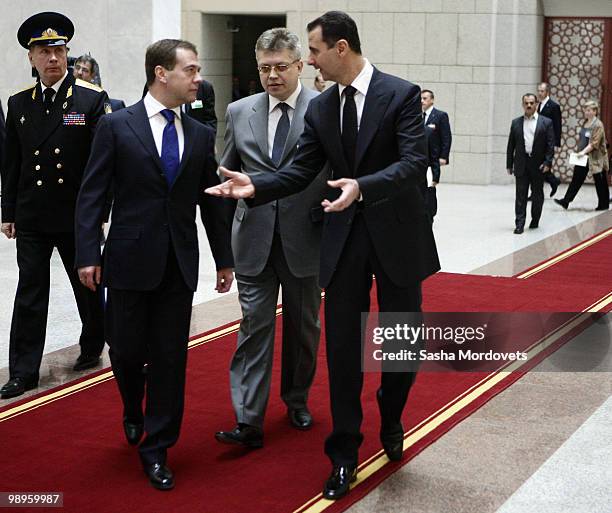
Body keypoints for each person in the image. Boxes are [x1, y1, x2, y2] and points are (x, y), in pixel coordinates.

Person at [206, 11, 440, 500]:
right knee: (343, 352)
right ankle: (343, 454)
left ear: (340, 48)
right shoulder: (321, 109)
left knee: (401, 348)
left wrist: (364, 186)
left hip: (399, 238)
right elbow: (299, 170)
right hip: (344, 238)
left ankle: (392, 414)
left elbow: (414, 162)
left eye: (312, 51)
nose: (308, 60)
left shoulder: (399, 94)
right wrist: (256, 186)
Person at [75, 39, 234, 490]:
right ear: (162, 73)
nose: (198, 77)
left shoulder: (201, 133)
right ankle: (131, 407)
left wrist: (224, 259)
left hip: (178, 265)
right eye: (191, 69)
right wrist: (88, 252)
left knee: (169, 359)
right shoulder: (116, 126)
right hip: (126, 261)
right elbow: (91, 193)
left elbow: (211, 203)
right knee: (124, 351)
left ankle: (158, 446)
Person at [214, 28, 326, 449]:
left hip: (306, 237)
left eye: (281, 67)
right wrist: (222, 250)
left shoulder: (324, 108)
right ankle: (248, 418)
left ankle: (296, 399)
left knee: (303, 328)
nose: (272, 76)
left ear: (300, 65)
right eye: (264, 68)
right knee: (253, 326)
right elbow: (227, 173)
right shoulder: (239, 110)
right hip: (253, 238)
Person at [0, 12, 109, 400]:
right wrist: (8, 211)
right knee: (30, 291)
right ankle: (23, 371)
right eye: (44, 52)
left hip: (76, 213)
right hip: (32, 214)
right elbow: (11, 163)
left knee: (88, 285)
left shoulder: (89, 99)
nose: (53, 59)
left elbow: (102, 162)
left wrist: (99, 213)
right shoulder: (18, 104)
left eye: (59, 50)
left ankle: (94, 340)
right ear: (31, 58)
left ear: (67, 54)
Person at [506, 93, 555, 233]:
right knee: (520, 195)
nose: (529, 105)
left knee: (537, 194)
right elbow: (511, 145)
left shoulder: (546, 122)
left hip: (538, 164)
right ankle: (519, 223)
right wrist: (509, 164)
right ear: (523, 105)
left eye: (531, 103)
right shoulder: (516, 122)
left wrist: (547, 162)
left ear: (536, 104)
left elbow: (550, 145)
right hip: (521, 163)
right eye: (526, 103)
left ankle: (535, 219)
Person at [554, 100, 609, 211]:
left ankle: (604, 204)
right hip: (583, 156)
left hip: (596, 157)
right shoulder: (585, 122)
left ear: (595, 111)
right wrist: (580, 152)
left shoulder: (598, 125)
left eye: (589, 110)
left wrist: (583, 152)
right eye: (586, 110)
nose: (587, 112)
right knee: (577, 178)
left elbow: (594, 143)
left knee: (600, 181)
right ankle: (566, 201)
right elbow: (583, 139)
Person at [533, 82, 562, 197]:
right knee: (537, 166)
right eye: (538, 91)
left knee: (540, 166)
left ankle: (536, 192)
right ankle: (553, 181)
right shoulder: (537, 105)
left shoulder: (554, 106)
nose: (539, 93)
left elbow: (557, 125)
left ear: (547, 92)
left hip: (547, 142)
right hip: (536, 141)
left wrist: (556, 143)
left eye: (542, 91)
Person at [421, 89, 452, 167]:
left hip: (434, 157)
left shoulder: (441, 115)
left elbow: (446, 137)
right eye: (420, 99)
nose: (421, 101)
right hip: (421, 158)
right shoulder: (418, 116)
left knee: (432, 178)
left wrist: (443, 156)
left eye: (425, 98)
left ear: (432, 100)